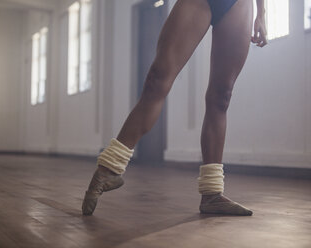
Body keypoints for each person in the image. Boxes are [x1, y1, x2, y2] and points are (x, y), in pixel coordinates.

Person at [82, 0, 267, 216]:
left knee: (222, 96)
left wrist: (261, 14)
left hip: (239, 4)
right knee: (158, 79)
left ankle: (212, 194)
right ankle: (109, 169)